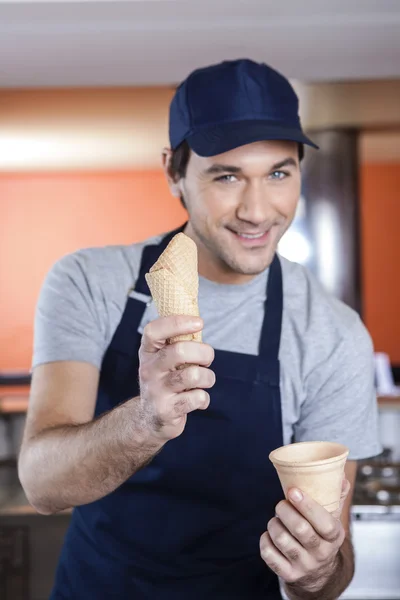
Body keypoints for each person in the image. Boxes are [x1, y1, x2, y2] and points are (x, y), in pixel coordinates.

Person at [18, 59, 381, 599]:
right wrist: (144, 421)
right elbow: (43, 485)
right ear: (173, 172)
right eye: (227, 175)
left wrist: (316, 571)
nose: (258, 211)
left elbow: (335, 566)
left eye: (279, 173)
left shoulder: (332, 335)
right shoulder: (91, 282)